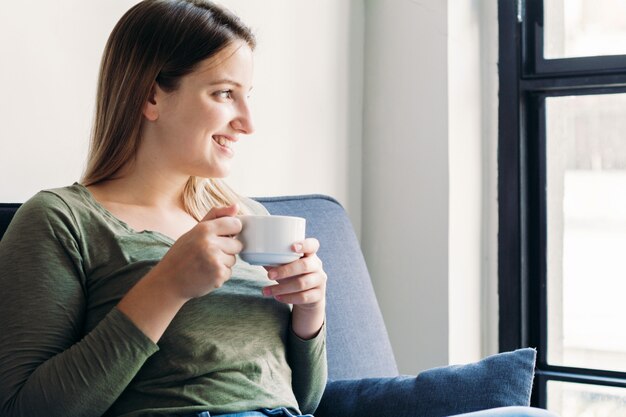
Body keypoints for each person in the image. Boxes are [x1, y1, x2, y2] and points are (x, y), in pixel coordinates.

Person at [0, 1, 327, 416]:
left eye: (248, 96)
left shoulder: (249, 219)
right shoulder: (62, 220)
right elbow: (26, 410)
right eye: (225, 93)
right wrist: (167, 286)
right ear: (151, 96)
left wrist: (309, 314)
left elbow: (305, 401)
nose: (248, 122)